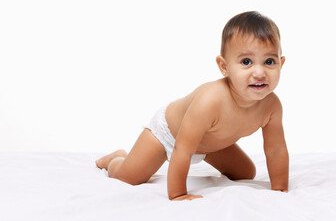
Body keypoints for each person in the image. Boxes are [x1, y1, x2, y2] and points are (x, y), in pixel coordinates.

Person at [96, 11, 289, 201]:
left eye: (269, 62)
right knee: (127, 177)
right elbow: (183, 149)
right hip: (169, 135)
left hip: (210, 142)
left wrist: (280, 190)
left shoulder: (272, 106)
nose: (259, 72)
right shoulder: (211, 100)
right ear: (224, 67)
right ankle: (115, 159)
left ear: (281, 63)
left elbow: (276, 150)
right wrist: (178, 194)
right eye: (246, 62)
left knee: (246, 173)